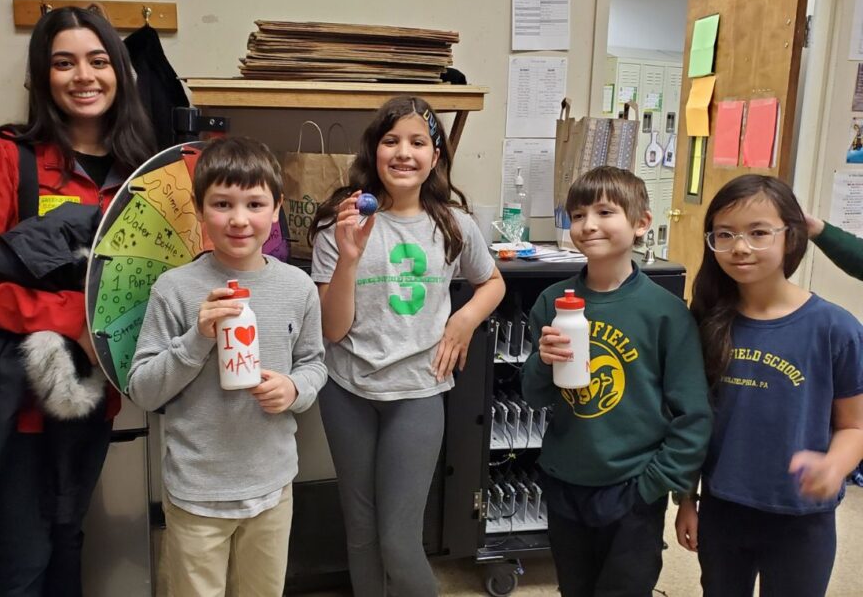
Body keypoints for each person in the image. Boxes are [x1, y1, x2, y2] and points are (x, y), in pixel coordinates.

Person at [0, 6, 157, 596]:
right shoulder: (6, 156)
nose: (83, 75)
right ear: (42, 77)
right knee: (24, 554)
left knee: (68, 537)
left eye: (98, 60)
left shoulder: (141, 170)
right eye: (64, 63)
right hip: (17, 400)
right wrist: (72, 322)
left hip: (96, 397)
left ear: (120, 73)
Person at [308, 96, 505, 596]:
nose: (404, 152)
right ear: (374, 150)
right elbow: (332, 330)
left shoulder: (454, 224)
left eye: (418, 142)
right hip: (346, 388)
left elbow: (493, 283)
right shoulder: (341, 222)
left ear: (435, 157)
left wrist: (464, 320)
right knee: (361, 533)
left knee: (398, 541)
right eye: (391, 141)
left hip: (417, 390)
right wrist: (349, 256)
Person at [128, 137, 327, 597]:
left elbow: (315, 363)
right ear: (200, 210)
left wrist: (295, 390)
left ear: (276, 209)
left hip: (272, 487)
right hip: (197, 492)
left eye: (254, 203)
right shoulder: (173, 289)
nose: (239, 219)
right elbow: (143, 389)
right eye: (222, 203)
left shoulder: (297, 286)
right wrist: (196, 338)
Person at [524, 166, 711, 597]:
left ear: (641, 222)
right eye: (576, 215)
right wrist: (542, 361)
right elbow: (534, 394)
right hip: (566, 479)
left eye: (605, 211)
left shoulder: (665, 313)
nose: (588, 225)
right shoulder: (552, 302)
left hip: (632, 486)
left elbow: (693, 415)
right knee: (575, 586)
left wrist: (656, 484)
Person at [678, 174, 863, 596]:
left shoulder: (834, 327)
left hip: (802, 519)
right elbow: (691, 421)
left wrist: (834, 466)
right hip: (723, 510)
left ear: (791, 238)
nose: (740, 247)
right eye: (724, 234)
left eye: (759, 233)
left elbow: (854, 426)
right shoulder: (707, 320)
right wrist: (687, 500)